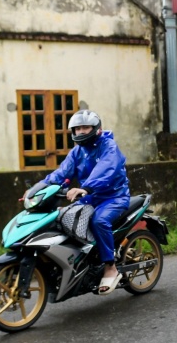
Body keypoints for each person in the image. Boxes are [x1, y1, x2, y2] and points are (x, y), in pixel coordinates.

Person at [25, 110, 130, 295]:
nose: (81, 132)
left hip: (114, 197)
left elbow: (105, 169)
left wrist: (86, 187)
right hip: (89, 197)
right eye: (77, 128)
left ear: (96, 128)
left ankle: (110, 267)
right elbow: (61, 173)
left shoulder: (109, 146)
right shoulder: (77, 151)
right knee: (61, 219)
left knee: (99, 221)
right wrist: (37, 188)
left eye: (85, 127)